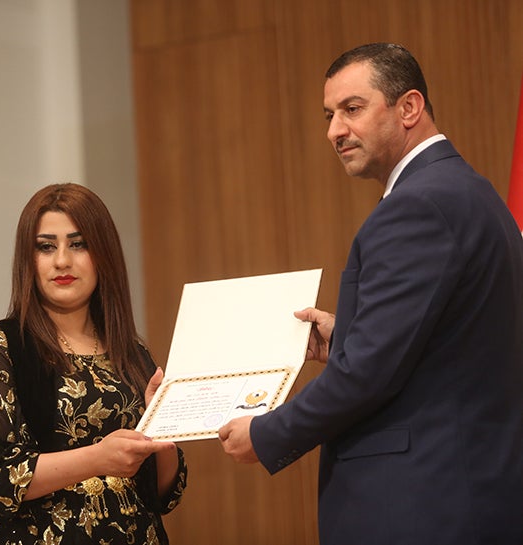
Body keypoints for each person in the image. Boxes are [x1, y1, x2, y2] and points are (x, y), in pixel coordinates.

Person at [218, 43, 523, 544]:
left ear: (409, 108)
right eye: (329, 115)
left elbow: (368, 373)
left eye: (352, 109)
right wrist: (347, 338)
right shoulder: (469, 191)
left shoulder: (418, 206)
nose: (334, 131)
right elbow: (453, 343)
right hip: (467, 491)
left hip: (423, 506)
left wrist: (267, 433)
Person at [0, 183, 187, 545]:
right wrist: (97, 458)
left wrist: (164, 433)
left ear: (104, 255)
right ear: (28, 260)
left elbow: (163, 495)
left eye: (78, 244)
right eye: (46, 247)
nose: (62, 260)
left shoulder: (131, 351)